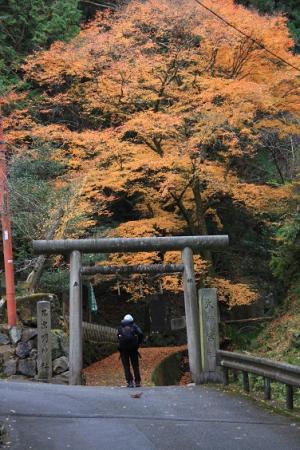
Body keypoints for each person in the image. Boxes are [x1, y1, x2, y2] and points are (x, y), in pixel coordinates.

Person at [118, 314, 143, 388]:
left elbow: (118, 338)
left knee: (126, 366)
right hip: (133, 349)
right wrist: (138, 343)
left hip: (123, 350)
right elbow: (141, 333)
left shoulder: (120, 327)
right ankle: (137, 382)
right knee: (135, 366)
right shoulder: (134, 326)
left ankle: (130, 382)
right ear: (132, 320)